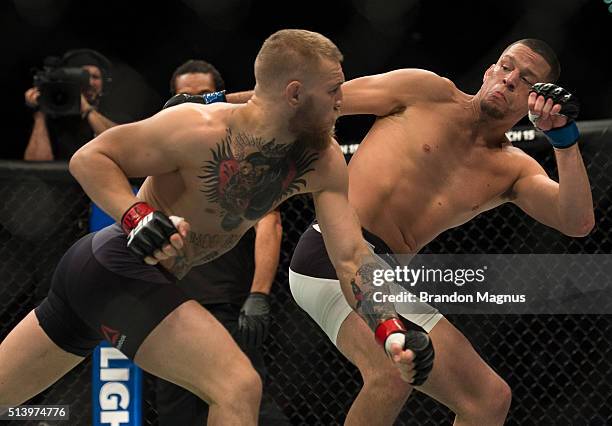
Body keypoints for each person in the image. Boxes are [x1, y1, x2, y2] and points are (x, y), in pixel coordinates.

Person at [0, 29, 432, 425]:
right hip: (116, 264)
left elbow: (352, 257)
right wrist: (136, 217)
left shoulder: (322, 159)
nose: (342, 101)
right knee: (237, 386)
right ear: (296, 93)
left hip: (116, 279)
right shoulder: (198, 127)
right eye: (334, 90)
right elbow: (90, 158)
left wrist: (389, 328)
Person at [289, 38, 594, 425]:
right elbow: (317, 99)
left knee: (488, 399)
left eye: (527, 78)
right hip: (332, 250)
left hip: (381, 275)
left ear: (536, 100)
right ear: (489, 71)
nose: (510, 79)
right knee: (391, 373)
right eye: (505, 66)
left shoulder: (513, 169)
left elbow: (578, 221)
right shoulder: (425, 92)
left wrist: (563, 140)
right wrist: (214, 104)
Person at [155, 59, 289, 426]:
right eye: (184, 98)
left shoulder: (246, 156)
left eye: (203, 96)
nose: (195, 104)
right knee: (178, 416)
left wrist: (259, 294)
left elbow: (270, 224)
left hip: (224, 308)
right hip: (167, 308)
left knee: (250, 405)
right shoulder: (159, 151)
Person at [24, 49, 118, 161]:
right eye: (84, 77)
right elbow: (36, 166)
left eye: (95, 77)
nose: (90, 83)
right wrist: (40, 112)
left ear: (104, 84)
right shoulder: (53, 121)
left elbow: (120, 147)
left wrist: (87, 109)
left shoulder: (115, 116)